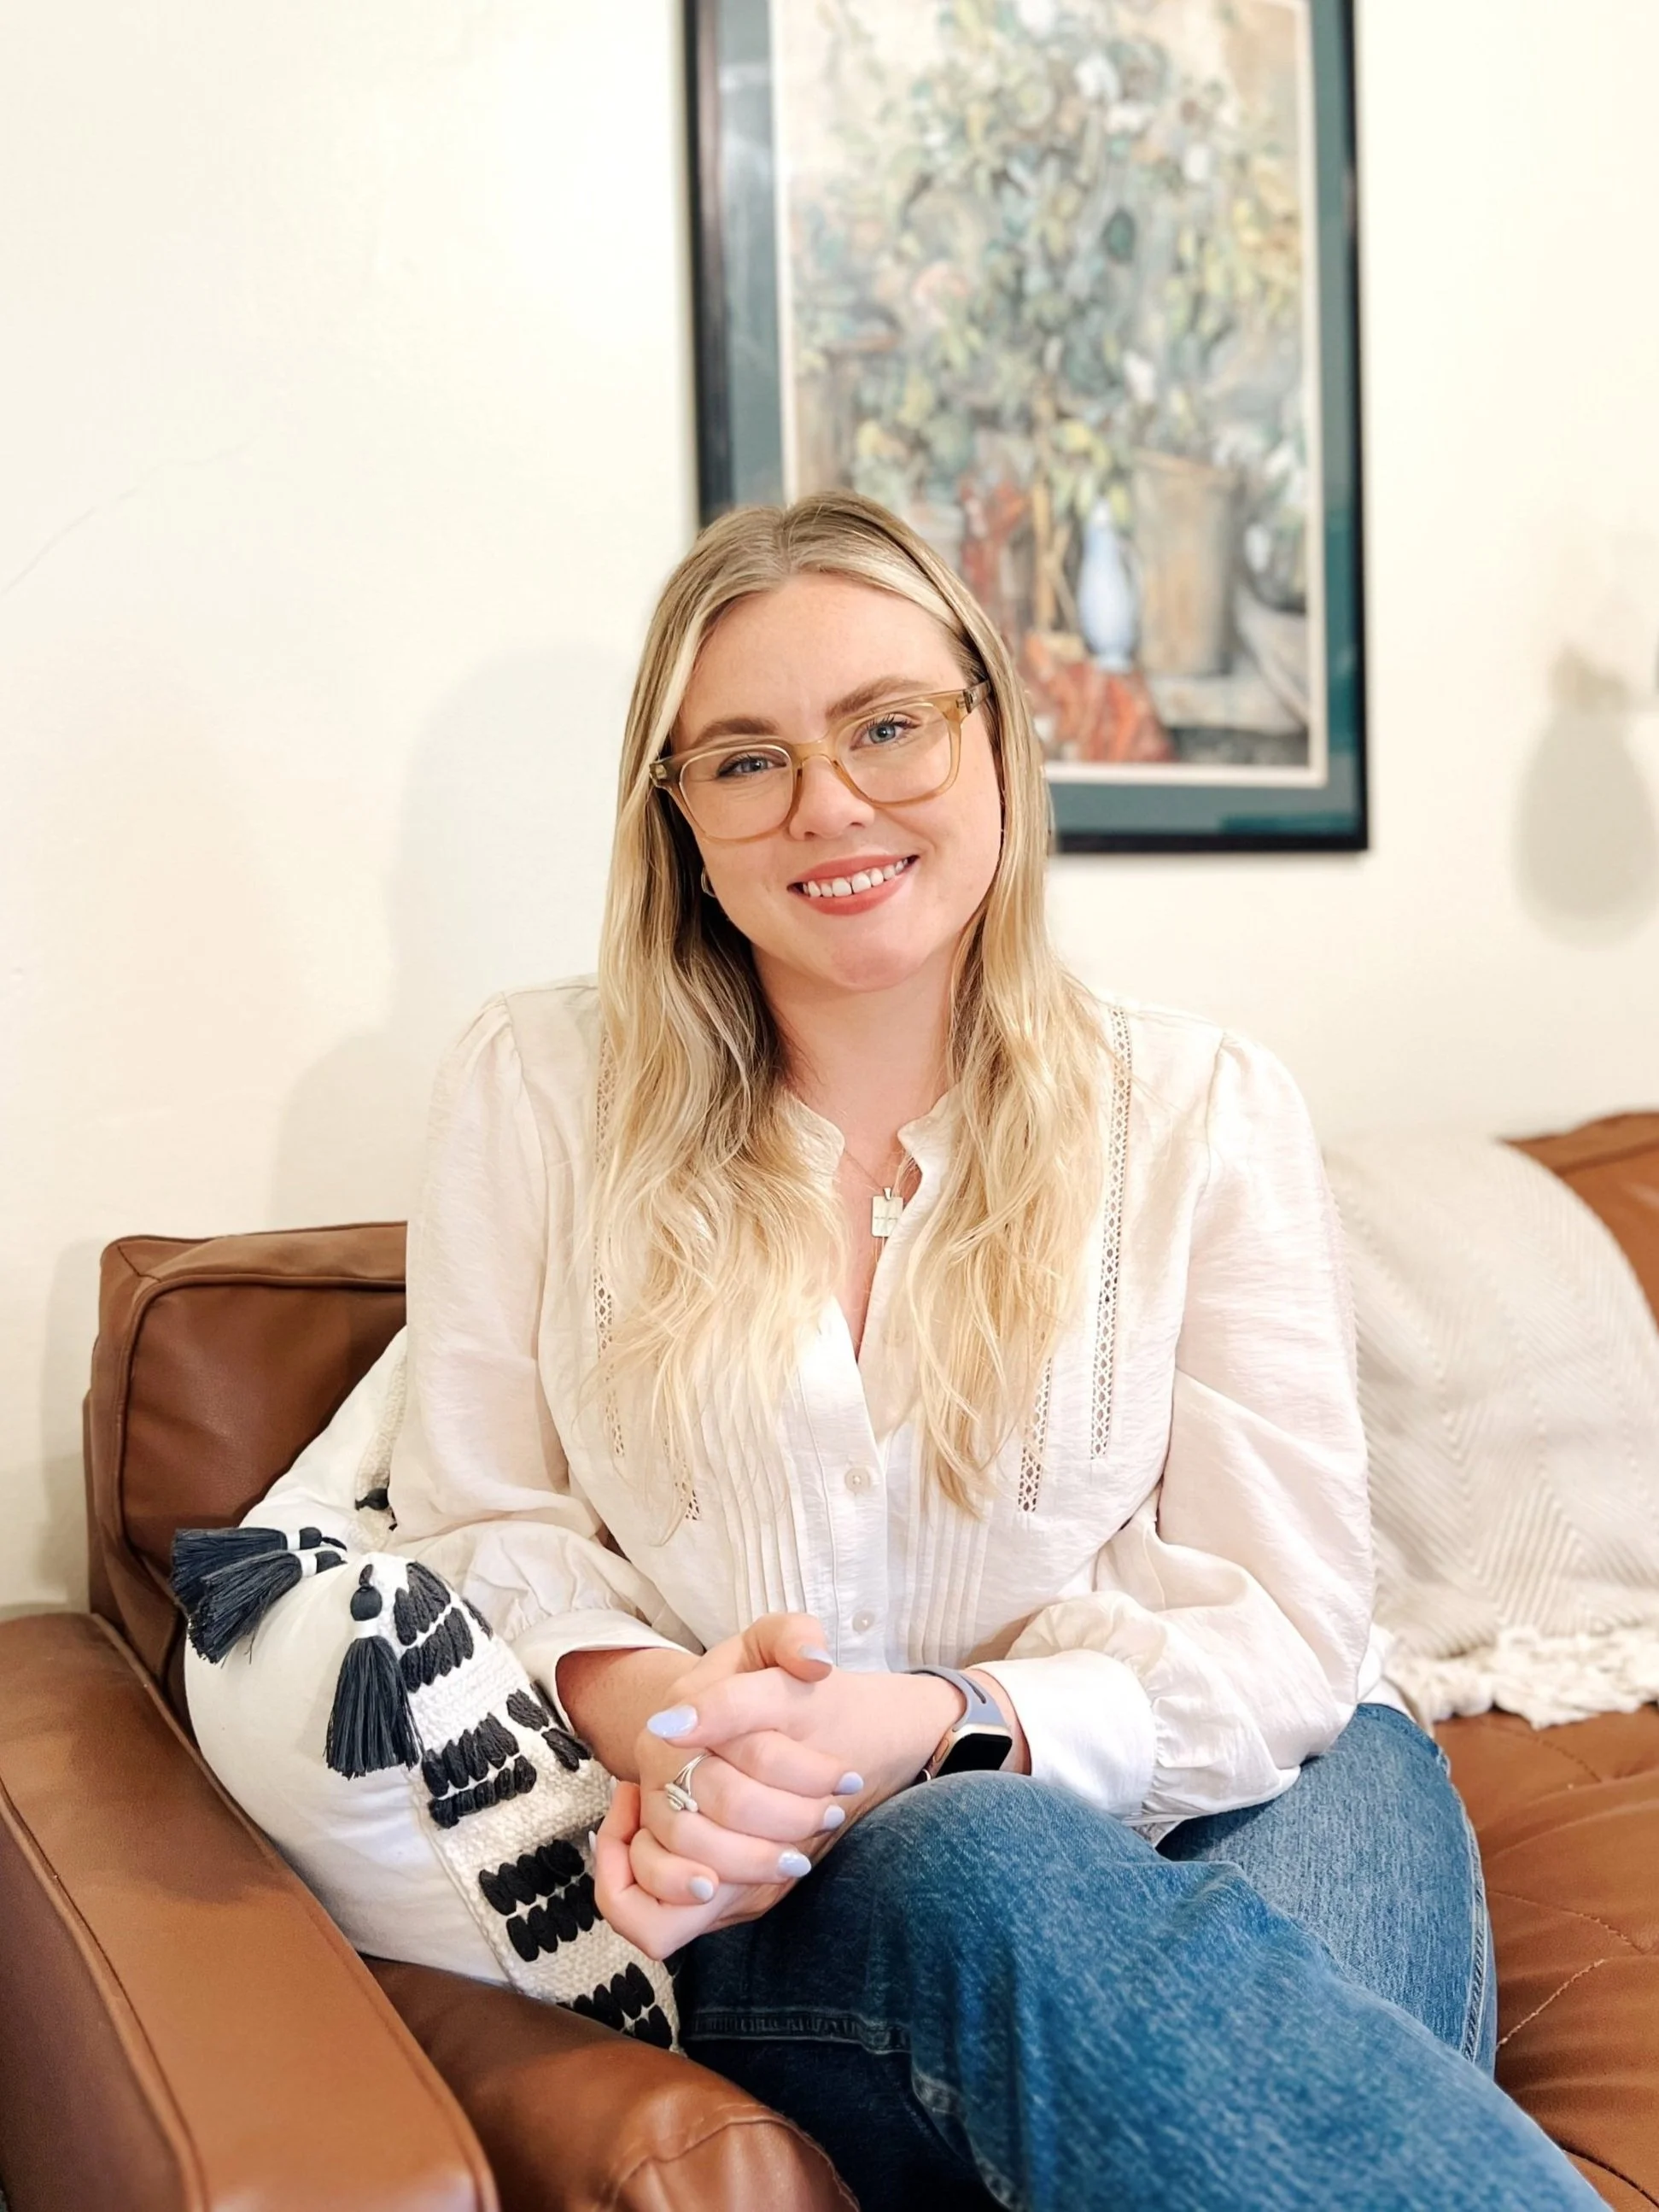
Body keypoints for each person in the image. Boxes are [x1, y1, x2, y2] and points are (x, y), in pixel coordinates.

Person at [193, 492, 1598, 2209]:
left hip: (1243, 1772)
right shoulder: (534, 1093)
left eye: (885, 725)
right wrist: (671, 1720)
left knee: (1260, 2013)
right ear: (677, 820)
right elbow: (489, 1520)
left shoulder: (1198, 1109)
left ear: (994, 742)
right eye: (743, 759)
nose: (829, 802)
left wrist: (946, 1710)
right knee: (985, 1856)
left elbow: (1283, 1627)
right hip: (819, 1880)